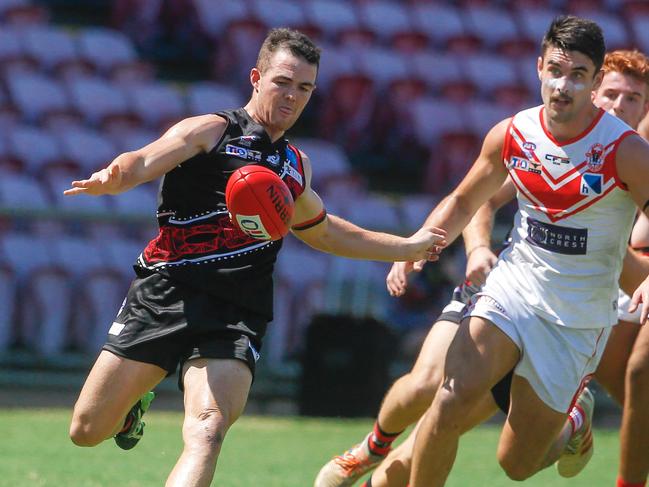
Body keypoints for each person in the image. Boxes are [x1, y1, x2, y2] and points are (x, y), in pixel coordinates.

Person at [63, 28, 446, 487]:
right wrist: (114, 176)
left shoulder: (294, 166)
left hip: (235, 311)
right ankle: (132, 409)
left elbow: (323, 230)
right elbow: (144, 160)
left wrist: (405, 246)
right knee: (86, 430)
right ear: (256, 77)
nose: (292, 96)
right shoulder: (211, 130)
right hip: (165, 292)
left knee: (207, 429)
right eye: (283, 81)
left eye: (304, 88)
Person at [314, 43, 649, 487]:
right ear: (591, 89)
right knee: (431, 387)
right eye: (611, 94)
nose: (618, 105)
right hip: (501, 283)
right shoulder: (545, 133)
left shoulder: (632, 156)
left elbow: (623, 261)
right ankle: (367, 450)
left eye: (633, 99)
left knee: (514, 462)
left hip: (574, 312)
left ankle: (571, 423)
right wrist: (473, 251)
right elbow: (477, 200)